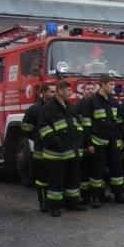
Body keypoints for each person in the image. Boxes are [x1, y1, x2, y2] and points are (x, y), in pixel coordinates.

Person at [80, 74, 124, 207]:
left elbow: (119, 121)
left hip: (114, 141)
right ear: (102, 84)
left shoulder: (114, 101)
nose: (113, 88)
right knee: (97, 171)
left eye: (113, 85)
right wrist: (89, 144)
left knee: (117, 170)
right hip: (98, 142)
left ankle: (118, 194)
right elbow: (86, 124)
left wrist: (121, 138)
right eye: (111, 85)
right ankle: (95, 197)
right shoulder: (91, 102)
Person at [37, 80, 86, 217]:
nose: (71, 93)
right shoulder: (48, 109)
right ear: (59, 91)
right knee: (56, 183)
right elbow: (45, 130)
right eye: (68, 91)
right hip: (56, 154)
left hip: (72, 152)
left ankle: (73, 203)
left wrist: (80, 141)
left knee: (73, 180)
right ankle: (54, 207)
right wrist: (59, 144)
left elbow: (78, 125)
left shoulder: (69, 106)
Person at [22, 82, 55, 212]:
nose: (54, 94)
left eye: (55, 91)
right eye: (51, 91)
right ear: (44, 92)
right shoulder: (34, 109)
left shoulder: (59, 108)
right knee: (42, 179)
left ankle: (55, 202)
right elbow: (26, 128)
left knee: (55, 178)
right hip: (41, 150)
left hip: (56, 150)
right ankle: (43, 203)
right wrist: (37, 137)